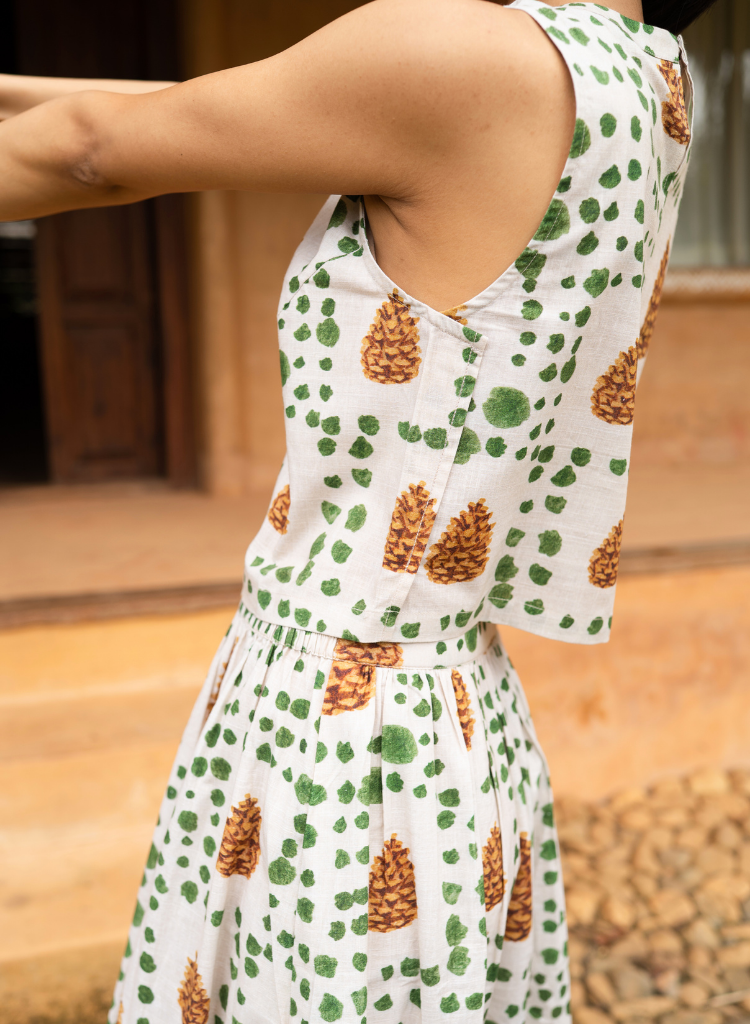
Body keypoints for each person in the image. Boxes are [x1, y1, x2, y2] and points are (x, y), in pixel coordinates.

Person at [0, 0, 717, 1021]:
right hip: (456, 715)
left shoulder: (456, 53)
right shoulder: (648, 80)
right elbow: (194, 112)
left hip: (331, 727)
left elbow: (88, 152)